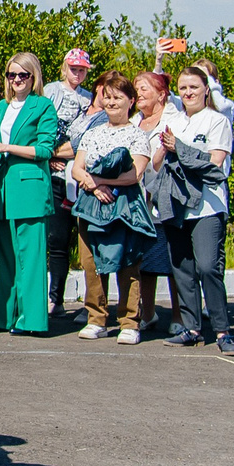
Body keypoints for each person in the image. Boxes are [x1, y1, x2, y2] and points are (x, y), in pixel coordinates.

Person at [151, 64, 234, 353]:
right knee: (182, 268)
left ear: (206, 90)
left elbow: (214, 163)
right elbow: (157, 164)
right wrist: (164, 148)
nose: (188, 93)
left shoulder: (217, 121)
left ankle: (222, 331)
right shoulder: (174, 121)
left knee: (208, 267)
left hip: (207, 205)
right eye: (183, 88)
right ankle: (191, 328)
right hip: (176, 205)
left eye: (194, 87)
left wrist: (179, 149)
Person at [72, 72, 159, 342]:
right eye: (107, 97)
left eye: (118, 97)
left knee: (127, 263)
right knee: (91, 263)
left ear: (131, 101)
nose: (111, 102)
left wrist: (100, 181)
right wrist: (94, 186)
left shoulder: (137, 135)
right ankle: (96, 319)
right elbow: (77, 169)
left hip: (125, 206)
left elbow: (134, 174)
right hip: (90, 205)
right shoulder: (92, 133)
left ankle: (129, 322)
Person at [0, 52, 60, 335]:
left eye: (22, 75)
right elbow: (0, 142)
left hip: (30, 188)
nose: (16, 80)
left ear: (33, 76)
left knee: (31, 257)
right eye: (11, 74)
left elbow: (45, 150)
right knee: (6, 257)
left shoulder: (43, 106)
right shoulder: (1, 106)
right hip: (4, 188)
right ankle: (5, 317)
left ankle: (32, 320)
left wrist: (5, 147)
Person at [42, 47, 96, 321]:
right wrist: (48, 156)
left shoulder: (89, 98)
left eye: (82, 70)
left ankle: (89, 303)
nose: (77, 74)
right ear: (65, 67)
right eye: (74, 68)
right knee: (56, 239)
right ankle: (54, 298)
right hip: (54, 174)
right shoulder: (51, 90)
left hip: (78, 172)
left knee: (83, 242)